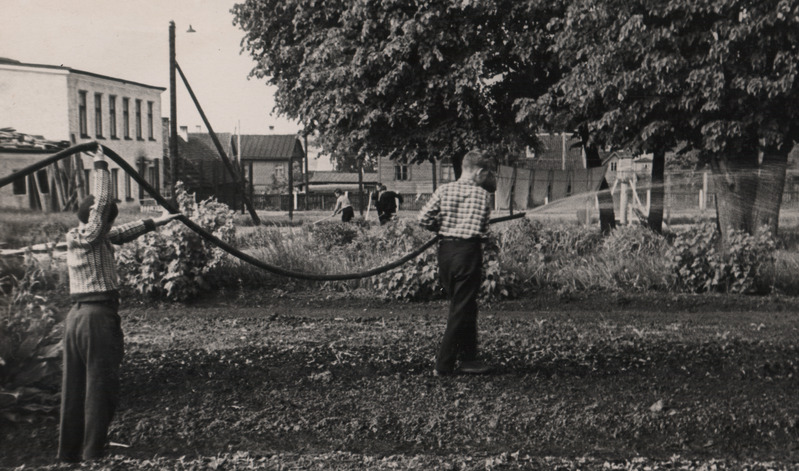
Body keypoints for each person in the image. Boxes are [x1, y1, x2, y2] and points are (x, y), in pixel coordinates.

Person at [59, 148, 180, 463]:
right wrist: (101, 164)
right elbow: (101, 211)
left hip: (76, 319)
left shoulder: (83, 237)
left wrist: (157, 221)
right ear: (97, 220)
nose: (108, 224)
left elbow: (120, 234)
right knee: (100, 387)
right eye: (105, 219)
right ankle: (93, 454)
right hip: (96, 318)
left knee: (75, 387)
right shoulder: (91, 235)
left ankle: (71, 453)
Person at [418, 150, 497, 376]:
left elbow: (422, 218)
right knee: (460, 309)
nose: (489, 177)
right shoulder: (482, 196)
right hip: (468, 252)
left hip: (446, 253)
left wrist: (441, 228)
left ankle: (469, 359)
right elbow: (484, 230)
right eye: (488, 173)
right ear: (480, 172)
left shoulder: (444, 190)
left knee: (465, 305)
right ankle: (444, 364)